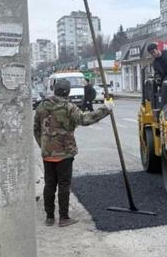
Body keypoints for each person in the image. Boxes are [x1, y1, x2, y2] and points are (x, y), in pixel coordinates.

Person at [34, 78, 112, 227]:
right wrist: (106, 109)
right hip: (65, 153)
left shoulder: (42, 106)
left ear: (55, 89)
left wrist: (44, 145)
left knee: (49, 184)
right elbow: (85, 119)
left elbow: (36, 128)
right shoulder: (69, 107)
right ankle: (64, 218)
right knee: (64, 185)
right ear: (67, 92)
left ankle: (49, 217)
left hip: (48, 154)